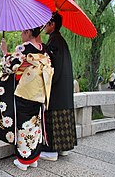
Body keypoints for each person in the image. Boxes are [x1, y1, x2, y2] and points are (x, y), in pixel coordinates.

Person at [0, 26, 53, 171]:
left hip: (25, 92)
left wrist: (4, 52)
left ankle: (23, 160)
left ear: (28, 32)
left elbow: (9, 67)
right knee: (35, 124)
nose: (21, 34)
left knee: (24, 125)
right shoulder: (42, 48)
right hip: (39, 92)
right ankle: (33, 157)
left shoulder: (24, 48)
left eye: (22, 32)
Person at [41, 12, 77, 161]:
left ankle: (51, 152)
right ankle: (64, 148)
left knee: (54, 117)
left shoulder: (54, 42)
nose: (43, 27)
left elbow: (52, 66)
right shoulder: (60, 40)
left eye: (46, 23)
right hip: (65, 88)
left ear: (52, 24)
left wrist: (42, 48)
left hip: (56, 88)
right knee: (64, 117)